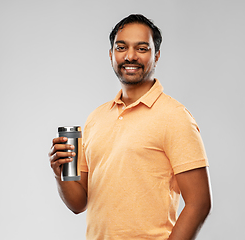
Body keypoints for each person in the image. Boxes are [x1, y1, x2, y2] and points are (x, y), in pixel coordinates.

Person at [49, 14, 212, 240]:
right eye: (121, 47)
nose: (130, 56)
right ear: (111, 55)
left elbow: (199, 203)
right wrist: (60, 174)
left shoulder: (175, 117)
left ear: (156, 56)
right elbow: (79, 203)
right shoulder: (96, 118)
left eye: (142, 48)